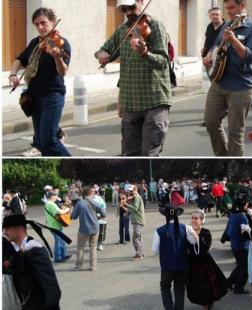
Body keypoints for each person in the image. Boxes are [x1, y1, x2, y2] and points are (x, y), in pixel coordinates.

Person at [95, 0, 171, 156]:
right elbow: (103, 50)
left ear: (141, 2)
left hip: (154, 100)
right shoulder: (122, 30)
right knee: (129, 154)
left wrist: (145, 53)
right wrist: (101, 55)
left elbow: (163, 62)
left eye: (131, 7)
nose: (128, 12)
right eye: (124, 9)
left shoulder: (155, 26)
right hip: (130, 102)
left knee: (149, 154)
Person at [8, 7, 71, 156]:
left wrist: (57, 57)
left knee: (49, 140)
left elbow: (63, 72)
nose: (40, 27)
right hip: (34, 96)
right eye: (36, 24)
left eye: (43, 23)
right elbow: (19, 59)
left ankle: (71, 163)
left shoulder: (62, 44)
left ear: (53, 22)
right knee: (41, 142)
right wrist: (12, 74)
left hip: (52, 96)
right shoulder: (35, 43)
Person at [202, 0, 252, 156]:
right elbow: (215, 47)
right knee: (210, 122)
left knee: (235, 132)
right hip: (219, 81)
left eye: (232, 7)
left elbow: (249, 57)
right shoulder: (226, 25)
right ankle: (222, 157)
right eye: (226, 8)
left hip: (242, 86)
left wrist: (234, 40)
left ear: (242, 6)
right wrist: (208, 57)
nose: (228, 11)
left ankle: (233, 163)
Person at [3, 214, 62, 309]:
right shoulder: (11, 248)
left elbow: (50, 284)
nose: (4, 232)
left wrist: (51, 306)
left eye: (6, 228)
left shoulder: (35, 249)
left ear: (18, 228)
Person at [186, 210, 228, 309]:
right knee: (195, 286)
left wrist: (194, 234)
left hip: (204, 264)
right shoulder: (187, 232)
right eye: (192, 218)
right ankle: (204, 303)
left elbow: (204, 248)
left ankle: (207, 304)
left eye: (196, 218)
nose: (193, 220)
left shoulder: (205, 232)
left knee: (206, 286)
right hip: (192, 263)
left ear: (202, 220)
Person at [70, 187, 106, 271]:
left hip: (84, 229)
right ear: (90, 193)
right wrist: (98, 217)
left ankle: (79, 266)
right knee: (93, 247)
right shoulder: (95, 202)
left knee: (80, 248)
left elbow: (74, 216)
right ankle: (93, 266)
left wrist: (70, 213)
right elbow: (103, 213)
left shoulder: (80, 203)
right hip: (95, 228)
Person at [225, 197, 251, 294]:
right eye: (247, 205)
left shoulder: (232, 214)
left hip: (234, 244)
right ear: (244, 205)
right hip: (242, 245)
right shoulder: (242, 217)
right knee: (245, 267)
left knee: (241, 265)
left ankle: (229, 282)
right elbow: (245, 233)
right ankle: (238, 287)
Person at [44, 191, 71, 263]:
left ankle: (63, 255)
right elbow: (58, 212)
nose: (56, 197)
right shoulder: (50, 204)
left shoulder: (49, 203)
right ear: (51, 196)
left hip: (54, 225)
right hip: (54, 226)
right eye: (55, 195)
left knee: (61, 240)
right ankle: (58, 257)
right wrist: (67, 210)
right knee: (59, 241)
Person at [124, 185, 145, 260]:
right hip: (137, 220)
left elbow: (135, 208)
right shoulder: (135, 197)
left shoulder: (136, 197)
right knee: (138, 238)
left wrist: (126, 205)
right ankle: (141, 253)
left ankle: (139, 254)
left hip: (138, 220)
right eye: (130, 191)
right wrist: (126, 211)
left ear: (135, 190)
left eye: (131, 191)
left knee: (135, 238)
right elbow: (132, 209)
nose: (130, 192)